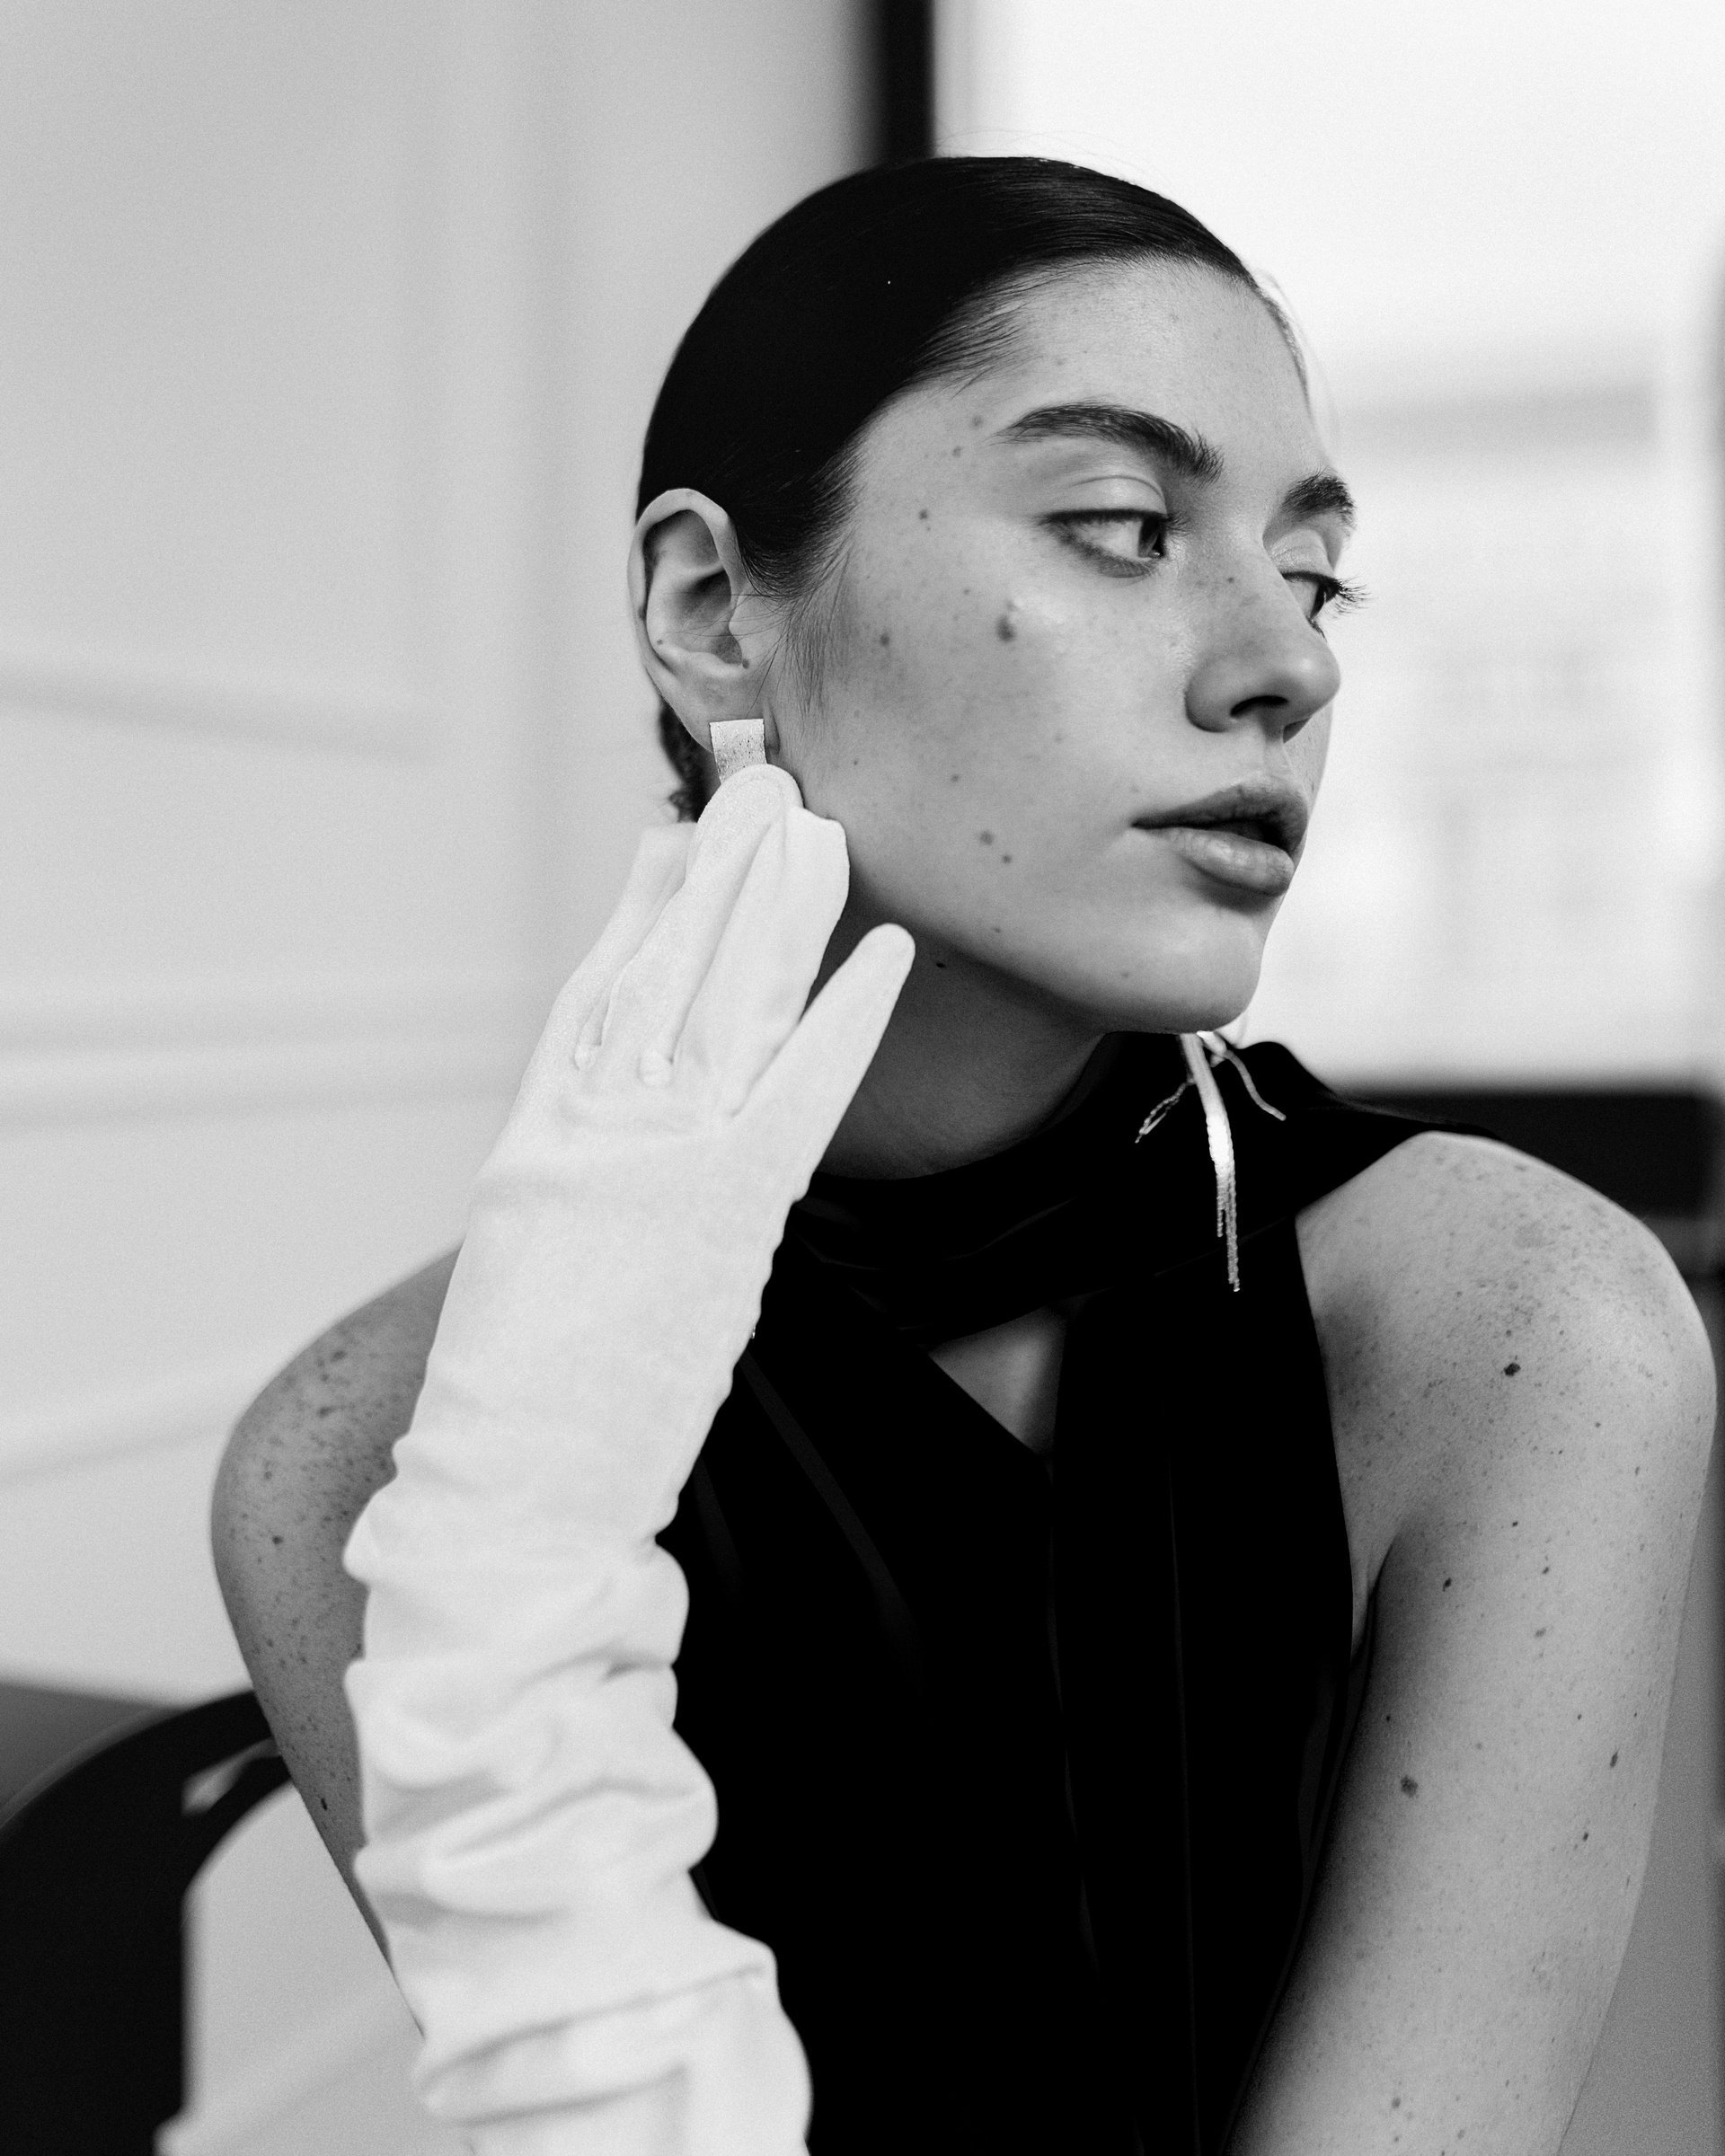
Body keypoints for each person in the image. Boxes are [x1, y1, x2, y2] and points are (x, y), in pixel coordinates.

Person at [212, 158, 1716, 2155]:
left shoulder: (1517, 1329)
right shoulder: (362, 1466)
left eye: (1315, 573)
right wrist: (505, 1570)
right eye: (1123, 527)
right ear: (709, 610)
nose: (1292, 664)